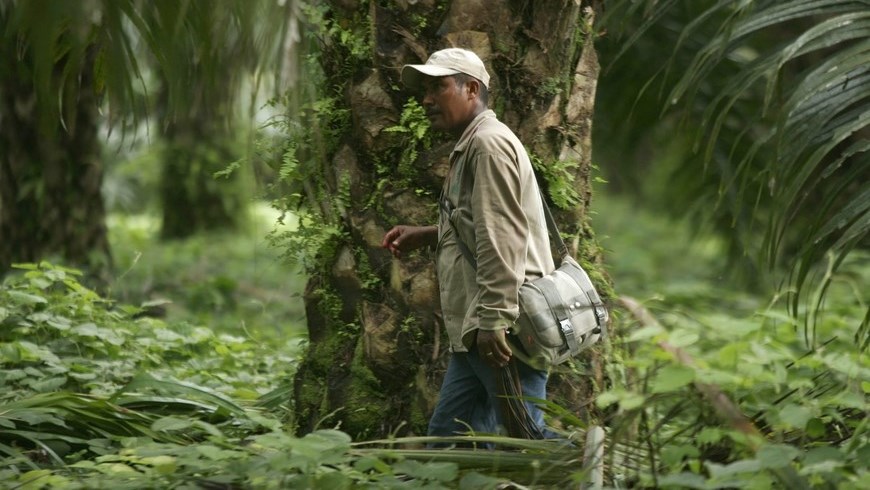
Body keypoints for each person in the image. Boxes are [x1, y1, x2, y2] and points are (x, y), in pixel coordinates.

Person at [381, 48, 556, 439]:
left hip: (500, 331)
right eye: (424, 90)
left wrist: (494, 320)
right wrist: (427, 234)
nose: (426, 99)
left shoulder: (487, 146)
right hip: (478, 330)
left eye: (438, 87)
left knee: (525, 444)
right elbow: (482, 223)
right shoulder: (473, 143)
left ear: (471, 89)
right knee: (448, 440)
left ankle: (595, 471)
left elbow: (502, 240)